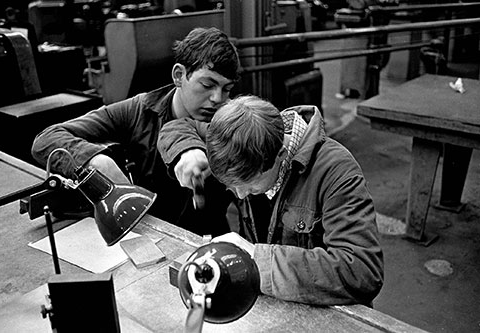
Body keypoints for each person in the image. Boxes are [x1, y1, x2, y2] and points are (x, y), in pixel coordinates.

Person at [157, 95, 384, 306]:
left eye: (250, 184)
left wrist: (259, 260)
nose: (240, 195)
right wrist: (188, 150)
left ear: (281, 156)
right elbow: (178, 126)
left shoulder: (337, 171)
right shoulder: (239, 129)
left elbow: (362, 271)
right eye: (232, 185)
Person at [31, 27, 240, 237]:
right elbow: (46, 139)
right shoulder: (138, 111)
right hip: (144, 236)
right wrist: (94, 161)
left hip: (209, 242)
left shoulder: (232, 120)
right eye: (207, 84)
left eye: (227, 89)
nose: (217, 98)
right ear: (179, 75)